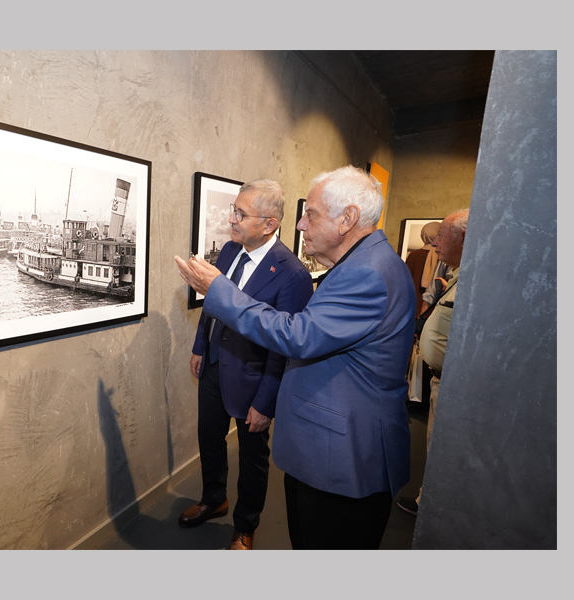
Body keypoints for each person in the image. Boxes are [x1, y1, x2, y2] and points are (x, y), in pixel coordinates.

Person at [175, 165, 416, 549]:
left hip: (342, 454)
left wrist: (218, 289)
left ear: (347, 219)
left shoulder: (366, 273)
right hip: (325, 444)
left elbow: (296, 335)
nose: (301, 224)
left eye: (312, 214)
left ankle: (244, 527)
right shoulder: (358, 266)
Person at [178, 179, 313, 550]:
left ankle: (245, 526)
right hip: (214, 366)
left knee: (252, 458)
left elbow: (285, 345)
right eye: (233, 210)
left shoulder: (293, 274)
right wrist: (200, 346)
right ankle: (213, 498)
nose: (231, 218)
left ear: (269, 224)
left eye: (241, 213)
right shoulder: (228, 251)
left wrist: (266, 402)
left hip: (254, 379)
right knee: (209, 437)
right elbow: (213, 304)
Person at [396, 208, 468, 517]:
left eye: (441, 236)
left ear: (463, 239)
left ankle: (434, 513)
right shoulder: (455, 275)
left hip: (456, 386)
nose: (435, 244)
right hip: (441, 380)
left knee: (444, 452)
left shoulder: (475, 280)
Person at [405, 221, 441, 317]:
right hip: (435, 306)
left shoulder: (414, 255)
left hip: (413, 303)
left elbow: (405, 281)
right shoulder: (443, 256)